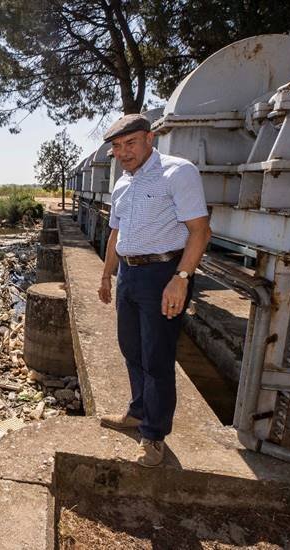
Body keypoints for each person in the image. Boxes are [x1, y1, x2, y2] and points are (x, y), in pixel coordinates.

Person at [96, 114, 212, 467]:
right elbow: (115, 233)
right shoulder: (122, 184)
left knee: (157, 357)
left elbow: (200, 230)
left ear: (149, 139)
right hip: (128, 275)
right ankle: (137, 410)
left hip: (163, 273)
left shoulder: (178, 172)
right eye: (117, 146)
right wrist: (106, 275)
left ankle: (154, 435)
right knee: (131, 348)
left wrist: (182, 277)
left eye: (130, 143)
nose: (123, 152)